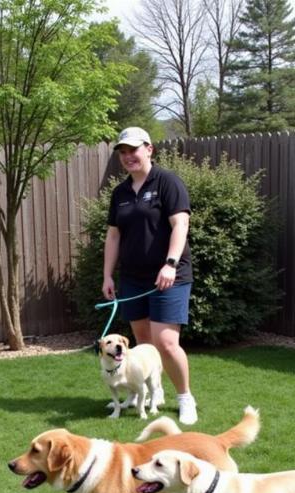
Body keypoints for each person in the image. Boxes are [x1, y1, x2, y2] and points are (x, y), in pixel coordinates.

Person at [102, 126, 198, 425]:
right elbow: (114, 236)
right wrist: (107, 275)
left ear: (149, 149)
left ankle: (185, 397)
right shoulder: (120, 193)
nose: (129, 156)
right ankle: (144, 393)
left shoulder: (168, 182)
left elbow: (180, 225)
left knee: (166, 343)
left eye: (134, 150)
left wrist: (170, 263)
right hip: (133, 279)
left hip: (169, 276)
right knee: (142, 344)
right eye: (123, 152)